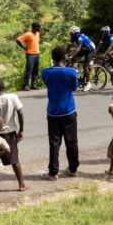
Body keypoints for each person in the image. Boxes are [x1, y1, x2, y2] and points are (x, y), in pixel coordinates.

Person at [41, 46, 79, 180]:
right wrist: (73, 70)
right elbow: (74, 87)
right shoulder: (71, 72)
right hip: (69, 110)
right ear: (64, 58)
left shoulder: (45, 72)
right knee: (72, 141)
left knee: (54, 143)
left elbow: (47, 84)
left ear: (53, 58)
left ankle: (53, 172)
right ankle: (73, 169)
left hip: (53, 112)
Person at [0, 78, 27, 192]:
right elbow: (20, 112)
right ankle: (21, 184)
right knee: (14, 160)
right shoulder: (12, 97)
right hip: (10, 133)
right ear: (4, 87)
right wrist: (21, 129)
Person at [15, 21, 41, 90]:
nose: (40, 28)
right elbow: (18, 40)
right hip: (30, 54)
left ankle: (33, 84)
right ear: (35, 27)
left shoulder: (38, 34)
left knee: (35, 70)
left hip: (37, 53)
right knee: (29, 70)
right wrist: (24, 47)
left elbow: (37, 41)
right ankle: (25, 85)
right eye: (39, 27)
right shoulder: (28, 34)